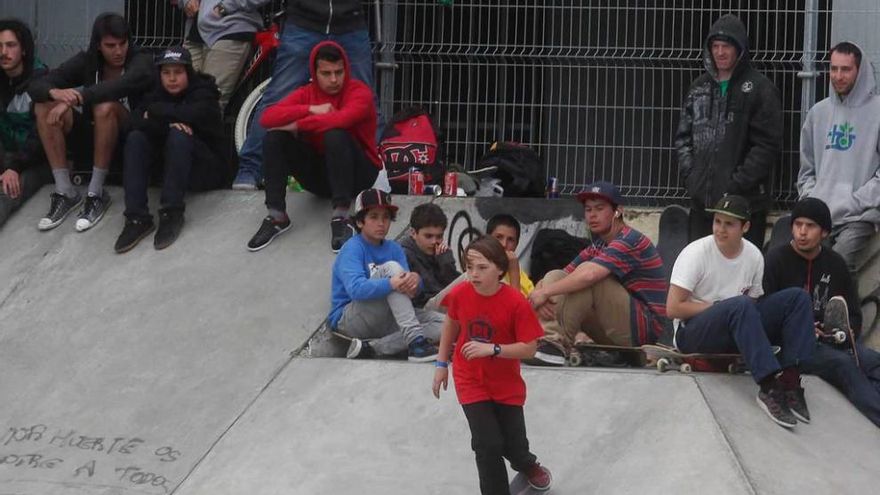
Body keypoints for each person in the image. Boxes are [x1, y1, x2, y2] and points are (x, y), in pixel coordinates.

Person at [667, 195, 816, 429]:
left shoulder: (754, 256)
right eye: (717, 222)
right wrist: (719, 308)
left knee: (797, 298)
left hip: (735, 328)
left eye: (729, 224)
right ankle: (768, 387)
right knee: (740, 304)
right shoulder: (696, 253)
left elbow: (754, 305)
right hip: (693, 332)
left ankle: (790, 381)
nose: (721, 230)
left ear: (745, 227)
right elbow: (673, 308)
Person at [432, 235, 552, 493]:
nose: (473, 274)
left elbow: (529, 347)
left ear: (499, 269)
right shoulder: (460, 294)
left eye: (482, 267)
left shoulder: (516, 302)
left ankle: (527, 464)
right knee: (487, 445)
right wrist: (441, 364)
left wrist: (493, 349)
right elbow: (451, 323)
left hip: (506, 384)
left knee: (513, 445)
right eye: (469, 267)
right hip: (470, 379)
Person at [245, 41, 380, 253]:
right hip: (320, 178)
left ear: (346, 70)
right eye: (326, 73)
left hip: (359, 175)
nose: (334, 79)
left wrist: (299, 124)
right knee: (275, 137)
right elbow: (268, 118)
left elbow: (341, 120)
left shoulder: (359, 92)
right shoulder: (306, 94)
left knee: (335, 134)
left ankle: (342, 217)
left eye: (339, 72)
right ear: (314, 73)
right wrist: (310, 109)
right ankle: (277, 215)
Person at [232, 0, 381, 191]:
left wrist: (299, 124)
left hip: (348, 24)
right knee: (277, 97)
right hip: (306, 23)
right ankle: (250, 169)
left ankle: (375, 174)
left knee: (366, 101)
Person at [28, 12, 153, 232]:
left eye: (123, 44)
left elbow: (122, 85)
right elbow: (37, 86)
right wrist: (55, 92)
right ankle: (65, 191)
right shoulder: (87, 61)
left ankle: (96, 194)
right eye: (110, 45)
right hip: (93, 138)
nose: (118, 51)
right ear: (98, 45)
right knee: (43, 106)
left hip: (131, 136)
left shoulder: (141, 59)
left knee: (105, 107)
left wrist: (78, 97)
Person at [763, 197, 880, 427]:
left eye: (810, 226)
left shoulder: (836, 264)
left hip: (832, 343)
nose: (802, 232)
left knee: (873, 362)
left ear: (825, 232)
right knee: (844, 366)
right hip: (794, 348)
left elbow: (853, 315)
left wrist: (844, 332)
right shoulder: (775, 260)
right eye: (798, 225)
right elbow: (765, 314)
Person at [527, 181, 668, 365]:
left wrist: (545, 293)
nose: (592, 215)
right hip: (613, 332)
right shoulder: (598, 246)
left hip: (642, 333)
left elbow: (589, 276)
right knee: (556, 276)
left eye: (599, 208)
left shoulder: (630, 240)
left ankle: (554, 344)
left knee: (590, 278)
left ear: (618, 211)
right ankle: (548, 342)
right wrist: (542, 291)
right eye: (588, 209)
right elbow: (560, 275)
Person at [674, 13, 783, 248]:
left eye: (726, 46)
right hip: (701, 204)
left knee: (738, 276)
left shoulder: (760, 89)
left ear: (740, 50)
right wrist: (692, 179)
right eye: (715, 46)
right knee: (699, 272)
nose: (720, 52)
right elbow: (683, 139)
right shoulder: (698, 87)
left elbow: (766, 146)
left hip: (744, 206)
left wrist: (735, 185)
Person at [114, 47, 229, 253]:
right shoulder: (155, 93)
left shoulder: (204, 92)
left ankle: (171, 213)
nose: (172, 79)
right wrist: (166, 124)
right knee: (136, 138)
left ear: (188, 73)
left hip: (206, 170)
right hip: (168, 170)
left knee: (179, 135)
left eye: (178, 72)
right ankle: (136, 217)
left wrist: (157, 112)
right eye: (166, 73)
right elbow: (130, 123)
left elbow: (193, 114)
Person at [329, 188, 441, 362]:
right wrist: (392, 283)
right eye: (373, 217)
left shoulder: (394, 248)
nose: (381, 223)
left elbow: (407, 289)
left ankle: (373, 348)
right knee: (391, 268)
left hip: (387, 317)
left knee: (446, 324)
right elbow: (355, 289)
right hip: (351, 319)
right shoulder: (352, 248)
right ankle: (415, 343)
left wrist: (415, 282)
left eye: (386, 217)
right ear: (360, 222)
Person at [798, 41, 880, 275]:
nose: (838, 76)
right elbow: (806, 168)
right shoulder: (818, 113)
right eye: (834, 69)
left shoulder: (877, 112)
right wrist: (812, 198)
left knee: (839, 262)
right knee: (805, 264)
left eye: (845, 69)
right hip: (820, 212)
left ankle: (847, 312)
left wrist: (855, 200)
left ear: (860, 71)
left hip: (860, 213)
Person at [177, 0, 270, 111]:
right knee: (181, 99)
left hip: (230, 29)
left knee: (209, 103)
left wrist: (225, 6)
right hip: (196, 31)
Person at [0, 18, 49, 228]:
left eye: (11, 45)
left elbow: (39, 137)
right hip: (7, 157)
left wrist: (14, 167)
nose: (4, 52)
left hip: (36, 161)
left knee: (7, 190)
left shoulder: (41, 80)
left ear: (24, 50)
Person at [401, 203, 460, 308]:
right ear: (413, 233)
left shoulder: (440, 253)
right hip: (423, 308)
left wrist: (446, 263)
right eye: (428, 236)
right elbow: (425, 292)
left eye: (439, 236)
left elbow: (452, 283)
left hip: (440, 302)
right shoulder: (404, 254)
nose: (434, 241)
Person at [487, 213, 534, 297]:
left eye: (510, 240)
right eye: (499, 237)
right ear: (487, 239)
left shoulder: (518, 271)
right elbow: (514, 308)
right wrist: (514, 274)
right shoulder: (481, 269)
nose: (504, 244)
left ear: (516, 245)